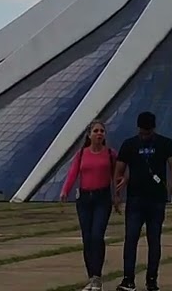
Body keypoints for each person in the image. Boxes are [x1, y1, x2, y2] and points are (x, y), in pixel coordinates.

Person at [115, 111, 172, 291]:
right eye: (143, 132)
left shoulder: (165, 143)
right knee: (131, 239)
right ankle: (128, 279)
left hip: (157, 199)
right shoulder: (129, 145)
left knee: (154, 240)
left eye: (148, 132)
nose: (145, 135)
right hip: (135, 199)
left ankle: (152, 280)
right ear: (138, 129)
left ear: (154, 128)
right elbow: (119, 169)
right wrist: (117, 194)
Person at [61, 119, 121, 291]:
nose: (99, 134)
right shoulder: (81, 154)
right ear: (89, 135)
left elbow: (118, 174)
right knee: (87, 239)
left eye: (102, 131)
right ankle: (92, 277)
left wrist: (117, 194)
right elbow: (73, 173)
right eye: (96, 131)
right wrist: (65, 190)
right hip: (85, 199)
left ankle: (97, 277)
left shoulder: (110, 153)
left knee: (97, 235)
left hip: (102, 198)